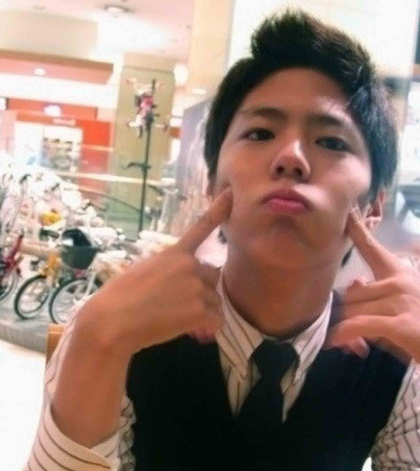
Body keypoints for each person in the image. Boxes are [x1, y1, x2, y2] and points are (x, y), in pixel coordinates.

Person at [25, 11, 420, 471]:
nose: (290, 157)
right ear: (213, 186)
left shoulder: (396, 356)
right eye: (260, 133)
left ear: (374, 205)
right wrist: (96, 341)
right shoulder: (122, 328)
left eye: (331, 142)